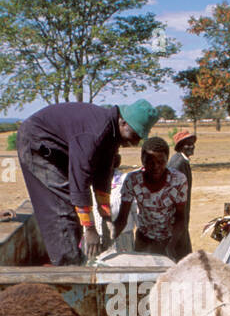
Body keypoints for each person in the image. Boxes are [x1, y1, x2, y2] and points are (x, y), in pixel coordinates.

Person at [16, 99, 158, 264]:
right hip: (37, 143)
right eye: (134, 135)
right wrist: (90, 229)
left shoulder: (112, 134)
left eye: (139, 138)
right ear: (123, 122)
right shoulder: (95, 133)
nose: (134, 143)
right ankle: (68, 269)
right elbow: (80, 180)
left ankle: (74, 258)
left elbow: (102, 177)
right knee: (61, 208)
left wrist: (105, 216)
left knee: (72, 208)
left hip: (57, 149)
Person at [113, 135, 188, 259]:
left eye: (161, 162)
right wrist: (110, 239)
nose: (155, 167)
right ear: (142, 159)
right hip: (144, 238)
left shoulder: (178, 180)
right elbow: (122, 218)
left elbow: (180, 217)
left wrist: (171, 245)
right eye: (150, 162)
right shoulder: (132, 180)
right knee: (141, 274)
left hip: (171, 239)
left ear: (167, 160)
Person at [167, 129, 196, 256]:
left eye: (192, 143)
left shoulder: (182, 160)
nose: (191, 146)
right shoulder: (177, 163)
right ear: (180, 146)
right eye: (187, 144)